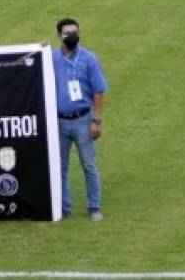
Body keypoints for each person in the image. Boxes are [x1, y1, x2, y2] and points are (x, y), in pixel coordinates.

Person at [52, 17, 107, 221]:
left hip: (83, 120)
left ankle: (94, 206)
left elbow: (99, 92)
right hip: (59, 122)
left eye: (74, 32)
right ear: (58, 36)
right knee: (60, 167)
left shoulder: (89, 58)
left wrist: (96, 121)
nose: (71, 36)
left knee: (89, 165)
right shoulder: (51, 58)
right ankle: (63, 208)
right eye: (67, 33)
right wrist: (37, 51)